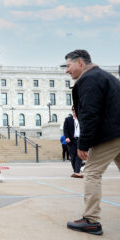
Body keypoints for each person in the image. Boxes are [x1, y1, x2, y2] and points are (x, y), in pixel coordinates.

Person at [64, 49, 120, 235]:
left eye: (68, 65)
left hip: (110, 134)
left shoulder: (89, 79)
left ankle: (91, 220)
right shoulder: (106, 77)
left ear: (80, 62)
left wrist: (83, 143)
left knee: (92, 173)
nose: (66, 70)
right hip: (117, 131)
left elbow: (90, 113)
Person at [63, 107, 83, 178]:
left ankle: (77, 172)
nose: (75, 111)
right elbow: (65, 130)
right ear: (72, 111)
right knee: (73, 157)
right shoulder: (68, 119)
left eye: (76, 110)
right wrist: (67, 137)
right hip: (71, 140)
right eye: (74, 110)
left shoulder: (82, 119)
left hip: (80, 140)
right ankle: (76, 171)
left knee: (79, 156)